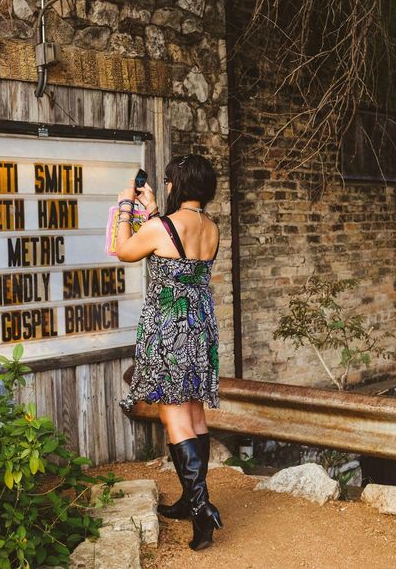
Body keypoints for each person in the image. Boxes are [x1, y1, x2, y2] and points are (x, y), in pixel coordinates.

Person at [115, 154, 222, 551]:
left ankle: (202, 510)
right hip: (200, 326)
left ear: (177, 184)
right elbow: (179, 248)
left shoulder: (162, 228)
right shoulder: (211, 227)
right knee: (194, 412)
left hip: (168, 329)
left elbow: (124, 250)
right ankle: (189, 498)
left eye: (168, 181)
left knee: (174, 414)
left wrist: (127, 205)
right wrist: (155, 214)